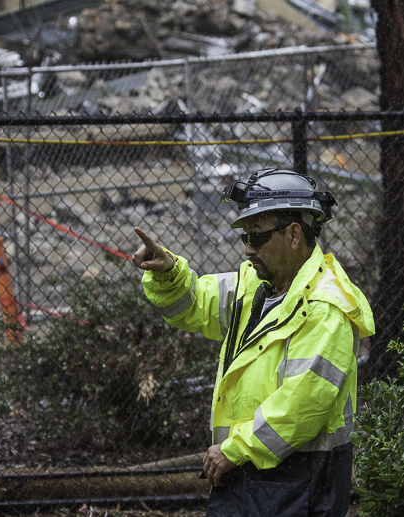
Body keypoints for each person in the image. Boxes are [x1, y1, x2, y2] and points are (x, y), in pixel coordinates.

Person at [132, 168, 375, 517]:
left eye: (257, 237)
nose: (247, 248)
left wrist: (234, 449)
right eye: (246, 236)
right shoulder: (257, 286)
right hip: (248, 472)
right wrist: (169, 271)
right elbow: (195, 304)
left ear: (294, 234)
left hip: (300, 482)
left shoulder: (326, 307)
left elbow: (303, 404)